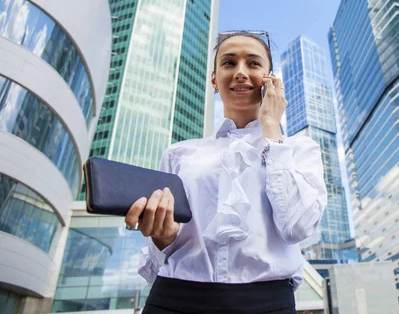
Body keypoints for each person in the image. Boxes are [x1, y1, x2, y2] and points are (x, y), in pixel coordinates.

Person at [124, 30, 327, 314]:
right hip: (175, 298)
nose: (241, 72)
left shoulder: (299, 149)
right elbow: (163, 248)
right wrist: (163, 235)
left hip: (267, 303)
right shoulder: (179, 153)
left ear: (271, 80)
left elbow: (298, 226)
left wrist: (271, 126)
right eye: (229, 63)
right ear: (214, 80)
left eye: (254, 64)